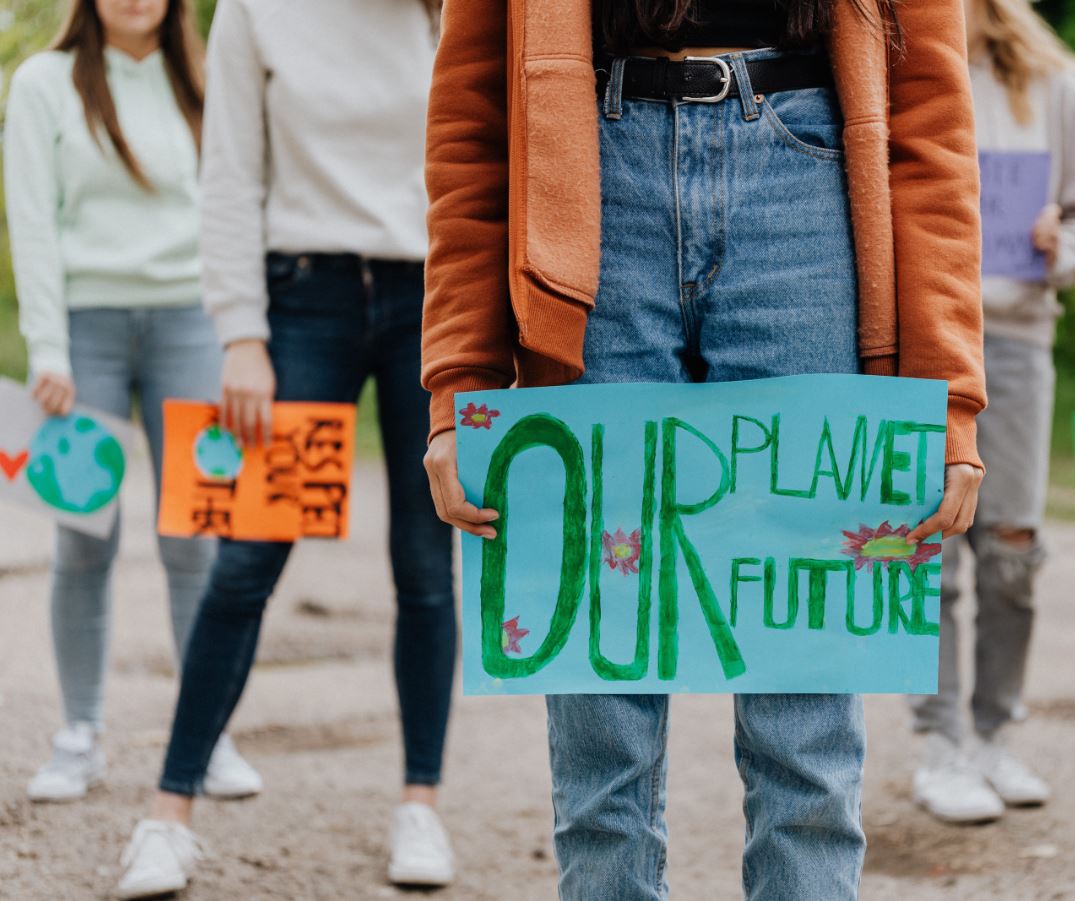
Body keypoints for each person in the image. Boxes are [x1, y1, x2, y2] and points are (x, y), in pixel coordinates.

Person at [420, 0, 986, 896]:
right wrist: (459, 379)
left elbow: (930, 112)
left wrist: (950, 394)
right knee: (600, 679)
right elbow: (470, 117)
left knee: (806, 691)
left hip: (804, 175)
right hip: (592, 179)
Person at [113, 1, 458, 896]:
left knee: (425, 565)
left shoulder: (450, 9)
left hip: (432, 300)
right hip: (304, 296)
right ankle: (168, 811)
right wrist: (240, 333)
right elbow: (229, 174)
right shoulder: (258, 11)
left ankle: (420, 801)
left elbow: (478, 163)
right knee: (245, 560)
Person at [5, 0, 260, 806]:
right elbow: (32, 222)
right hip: (86, 331)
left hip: (194, 322)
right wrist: (47, 346)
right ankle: (79, 732)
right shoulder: (43, 83)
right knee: (85, 535)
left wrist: (243, 330)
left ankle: (205, 733)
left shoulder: (211, 79)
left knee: (197, 532)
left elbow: (244, 201)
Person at [910, 0, 1075, 825]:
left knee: (1013, 548)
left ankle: (996, 731)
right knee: (934, 546)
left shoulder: (1061, 92)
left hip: (1018, 341)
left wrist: (1065, 245)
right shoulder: (906, 65)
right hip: (923, 349)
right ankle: (940, 740)